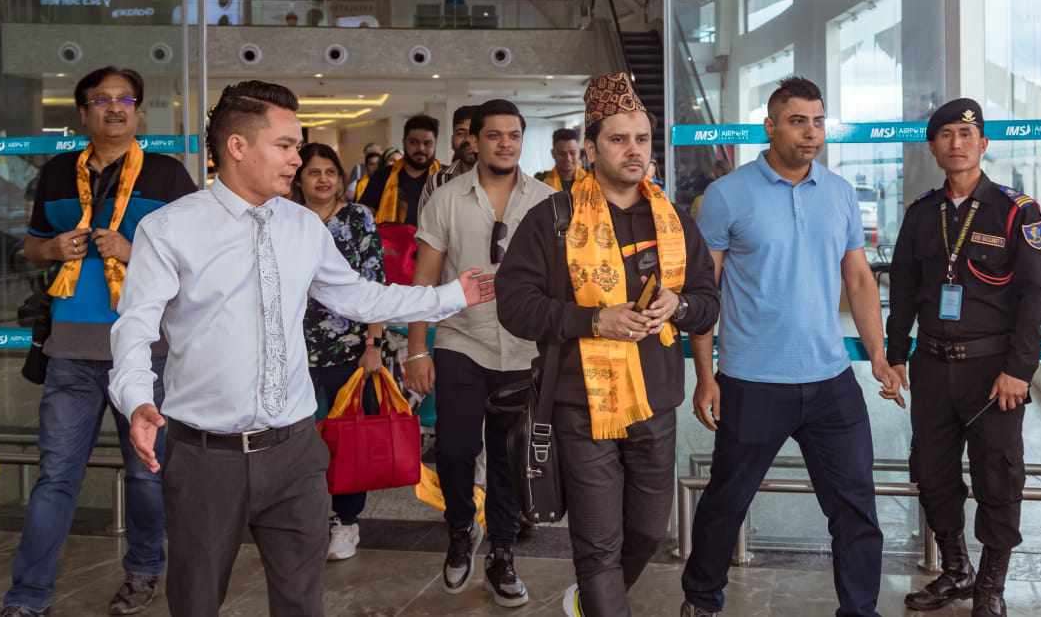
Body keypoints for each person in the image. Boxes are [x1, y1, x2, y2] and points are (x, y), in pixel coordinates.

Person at [108, 80, 496, 617]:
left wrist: (450, 295)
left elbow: (357, 295)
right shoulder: (170, 229)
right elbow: (134, 326)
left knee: (302, 601)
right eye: (285, 145)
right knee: (196, 600)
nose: (297, 158)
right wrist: (136, 400)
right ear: (237, 147)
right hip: (205, 458)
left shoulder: (302, 226)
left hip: (295, 452)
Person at [497, 73, 720, 617]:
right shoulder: (553, 218)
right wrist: (593, 320)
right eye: (619, 139)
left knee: (647, 531)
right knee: (598, 547)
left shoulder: (673, 221)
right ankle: (599, 598)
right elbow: (515, 307)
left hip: (655, 403)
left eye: (641, 139)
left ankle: (591, 601)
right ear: (592, 149)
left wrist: (678, 306)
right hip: (582, 405)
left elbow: (707, 303)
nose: (633, 150)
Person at [681, 76, 900, 617]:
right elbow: (704, 291)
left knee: (856, 508)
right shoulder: (728, 195)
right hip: (752, 382)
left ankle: (859, 610)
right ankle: (701, 601)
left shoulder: (840, 193)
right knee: (726, 502)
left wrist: (877, 354)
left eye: (818, 121)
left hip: (830, 382)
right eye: (798, 121)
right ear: (770, 126)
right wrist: (706, 376)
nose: (811, 133)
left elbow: (859, 279)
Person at [0, 66, 197, 617]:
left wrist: (135, 252)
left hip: (146, 355)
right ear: (83, 112)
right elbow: (31, 246)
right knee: (56, 479)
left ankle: (143, 572)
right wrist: (51, 250)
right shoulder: (57, 174)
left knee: (146, 477)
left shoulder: (167, 175)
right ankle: (27, 598)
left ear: (139, 112)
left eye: (125, 99)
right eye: (102, 99)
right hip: (70, 352)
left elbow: (200, 262)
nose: (115, 107)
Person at [886, 98, 1041, 617]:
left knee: (997, 478)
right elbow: (904, 291)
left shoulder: (1016, 211)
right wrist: (895, 356)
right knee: (932, 475)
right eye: (945, 135)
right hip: (932, 369)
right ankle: (957, 571)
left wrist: (1018, 370)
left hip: (992, 373)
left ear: (983, 144)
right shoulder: (921, 214)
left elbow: (1034, 298)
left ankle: (991, 587)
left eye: (965, 134)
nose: (956, 143)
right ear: (933, 148)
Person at [405, 99, 554, 607]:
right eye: (494, 135)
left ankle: (503, 554)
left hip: (525, 349)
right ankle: (460, 529)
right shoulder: (446, 199)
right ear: (476, 140)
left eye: (514, 135)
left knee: (511, 460)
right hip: (461, 341)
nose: (505, 144)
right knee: (453, 449)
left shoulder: (548, 202)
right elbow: (424, 279)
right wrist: (417, 350)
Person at [292, 142, 385, 562]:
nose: (323, 179)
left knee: (348, 442)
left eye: (330, 171)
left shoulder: (357, 217)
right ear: (300, 178)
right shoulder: (284, 216)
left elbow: (375, 282)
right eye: (314, 172)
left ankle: (346, 521)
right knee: (298, 440)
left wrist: (373, 344)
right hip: (293, 351)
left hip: (348, 350)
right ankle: (304, 515)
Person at [359, 115, 441, 228]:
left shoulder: (446, 177)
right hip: (389, 239)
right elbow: (364, 215)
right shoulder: (382, 176)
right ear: (404, 143)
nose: (421, 148)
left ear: (435, 144)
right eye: (413, 142)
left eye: (427, 143)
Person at [419, 104, 480, 212]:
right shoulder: (436, 181)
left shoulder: (503, 180)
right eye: (461, 133)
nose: (468, 140)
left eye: (474, 133)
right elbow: (424, 222)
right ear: (452, 140)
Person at [537, 127, 587, 192]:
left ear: (579, 153)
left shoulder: (592, 181)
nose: (568, 158)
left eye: (572, 153)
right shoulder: (541, 182)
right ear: (553, 153)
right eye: (562, 154)